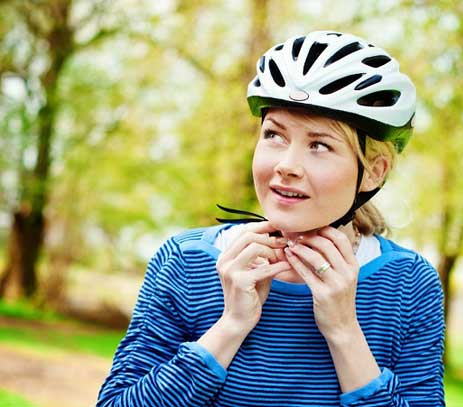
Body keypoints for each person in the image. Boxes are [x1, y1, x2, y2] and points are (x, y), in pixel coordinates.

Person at [97, 30, 445, 407]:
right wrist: (230, 326)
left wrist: (344, 331)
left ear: (374, 172)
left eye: (319, 145)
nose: (286, 165)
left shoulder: (408, 284)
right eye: (275, 136)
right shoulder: (186, 261)